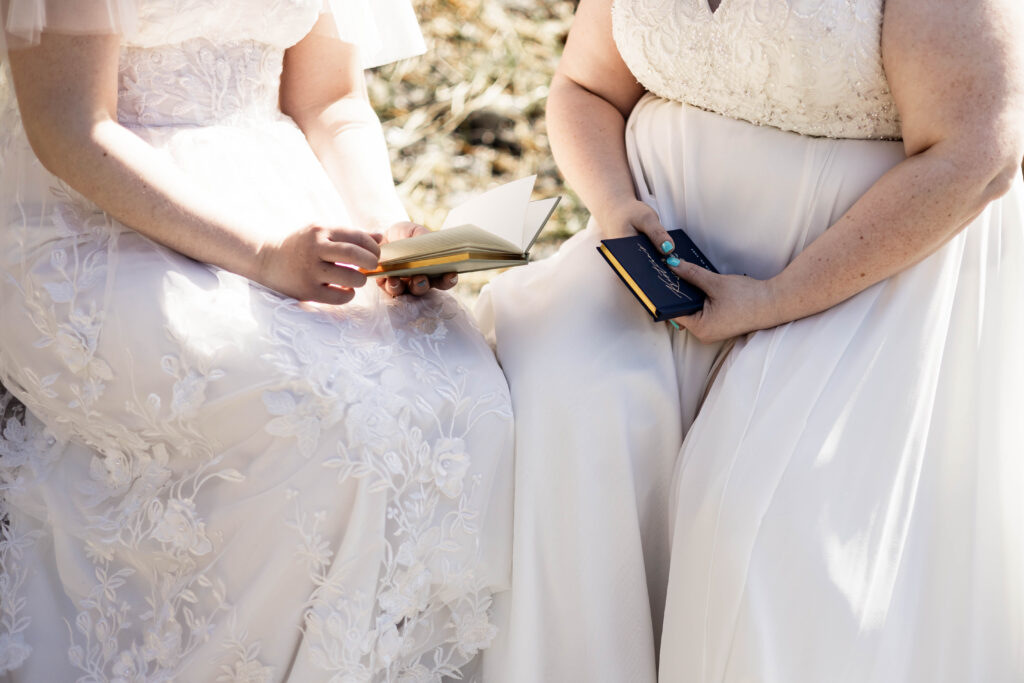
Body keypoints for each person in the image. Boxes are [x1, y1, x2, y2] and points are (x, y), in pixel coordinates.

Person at [477, 0, 1024, 680]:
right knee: (557, 409)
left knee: (750, 521)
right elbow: (584, 87)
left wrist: (778, 297)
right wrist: (615, 205)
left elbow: (978, 154)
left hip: (860, 277)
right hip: (658, 261)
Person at [0, 1, 514, 680]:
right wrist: (265, 253)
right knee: (311, 414)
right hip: (105, 220)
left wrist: (388, 225)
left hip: (288, 199)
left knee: (464, 395)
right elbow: (71, 127)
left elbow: (331, 99)